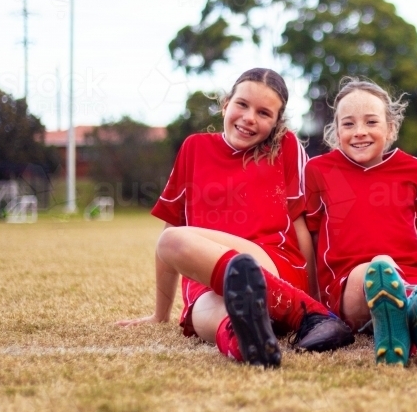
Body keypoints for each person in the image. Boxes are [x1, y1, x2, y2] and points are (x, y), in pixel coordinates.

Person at [117, 68, 354, 367]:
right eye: (242, 104)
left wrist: (314, 295)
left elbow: (301, 224)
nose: (249, 117)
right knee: (207, 316)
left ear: (276, 123)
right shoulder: (194, 148)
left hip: (273, 265)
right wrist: (159, 315)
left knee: (175, 241)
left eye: (264, 113)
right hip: (211, 284)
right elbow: (173, 227)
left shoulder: (285, 147)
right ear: (226, 103)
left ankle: (306, 312)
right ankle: (246, 345)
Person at [304, 78, 417, 366]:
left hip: (412, 275)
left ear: (391, 127)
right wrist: (313, 303)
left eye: (371, 122)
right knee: (377, 270)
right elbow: (312, 239)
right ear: (336, 131)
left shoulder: (414, 169)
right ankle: (415, 322)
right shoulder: (319, 170)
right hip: (351, 282)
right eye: (348, 124)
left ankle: (407, 321)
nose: (359, 132)